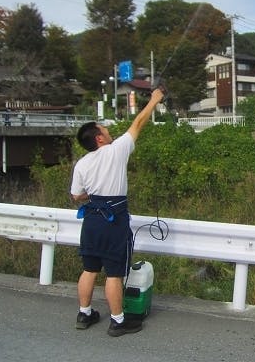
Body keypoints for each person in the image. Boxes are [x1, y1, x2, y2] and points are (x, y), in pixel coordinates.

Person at [70, 87, 164, 337]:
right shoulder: (116, 150)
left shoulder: (82, 164)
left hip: (91, 219)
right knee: (114, 273)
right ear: (99, 138)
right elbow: (139, 122)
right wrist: (154, 100)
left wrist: (94, 194)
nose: (108, 131)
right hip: (113, 220)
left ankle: (84, 313)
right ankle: (118, 321)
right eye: (104, 129)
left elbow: (76, 196)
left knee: (89, 268)